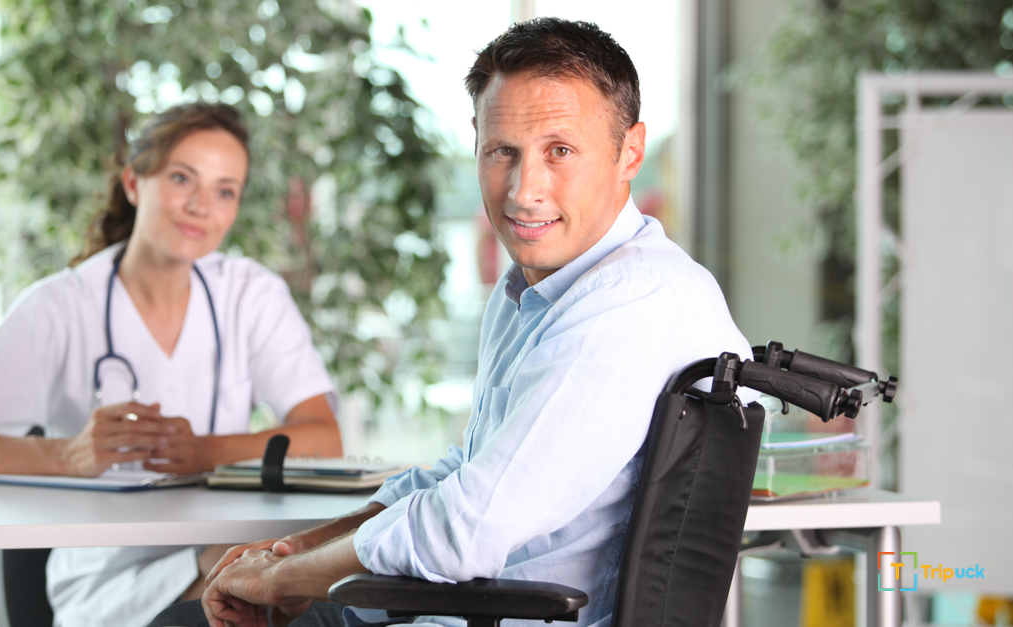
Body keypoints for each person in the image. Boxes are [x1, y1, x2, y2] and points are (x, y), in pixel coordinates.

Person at [147, 17, 756, 627]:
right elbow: (462, 473)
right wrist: (299, 550)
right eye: (503, 152)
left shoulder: (631, 303)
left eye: (560, 151)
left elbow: (464, 528)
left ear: (631, 152)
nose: (524, 191)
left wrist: (281, 580)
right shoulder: (532, 289)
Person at [0, 102, 344, 627]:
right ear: (134, 183)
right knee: (256, 592)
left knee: (273, 581)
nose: (200, 206)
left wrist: (203, 451)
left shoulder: (251, 295)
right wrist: (69, 454)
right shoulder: (61, 305)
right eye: (182, 178)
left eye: (224, 191)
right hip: (103, 581)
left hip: (219, 549)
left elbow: (324, 438)